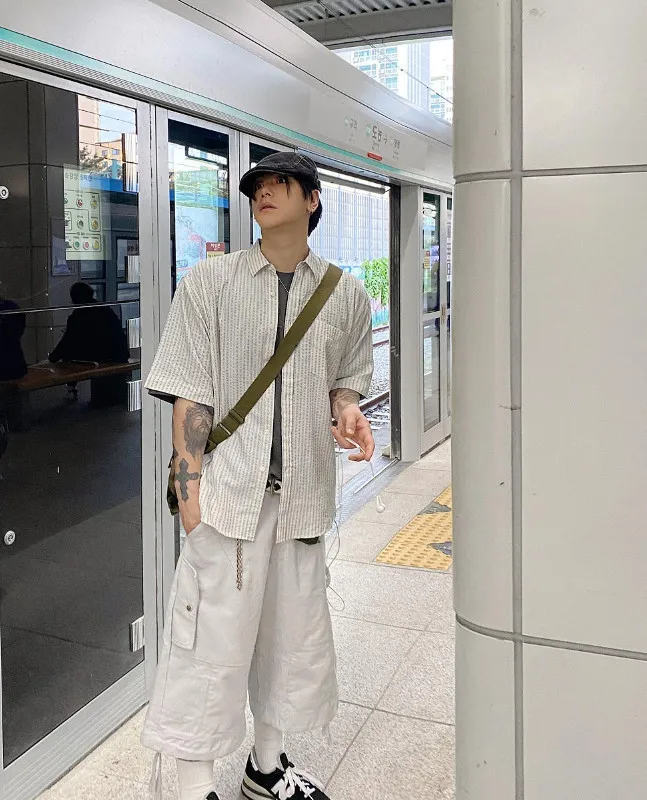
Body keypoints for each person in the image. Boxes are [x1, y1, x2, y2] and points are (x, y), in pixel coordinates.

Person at [142, 153, 375, 800]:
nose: (264, 193)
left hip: (301, 504)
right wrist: (191, 505)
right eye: (255, 187)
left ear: (313, 200)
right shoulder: (209, 283)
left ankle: (265, 769)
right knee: (205, 650)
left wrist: (347, 409)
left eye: (280, 184)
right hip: (226, 501)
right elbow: (191, 396)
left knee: (292, 644)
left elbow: (345, 379)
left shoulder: (343, 294)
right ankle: (191, 787)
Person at [49, 282, 129, 400]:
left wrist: (52, 358)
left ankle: (71, 388)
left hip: (102, 356)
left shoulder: (79, 315)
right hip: (118, 353)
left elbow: (67, 341)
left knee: (69, 354)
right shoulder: (105, 309)